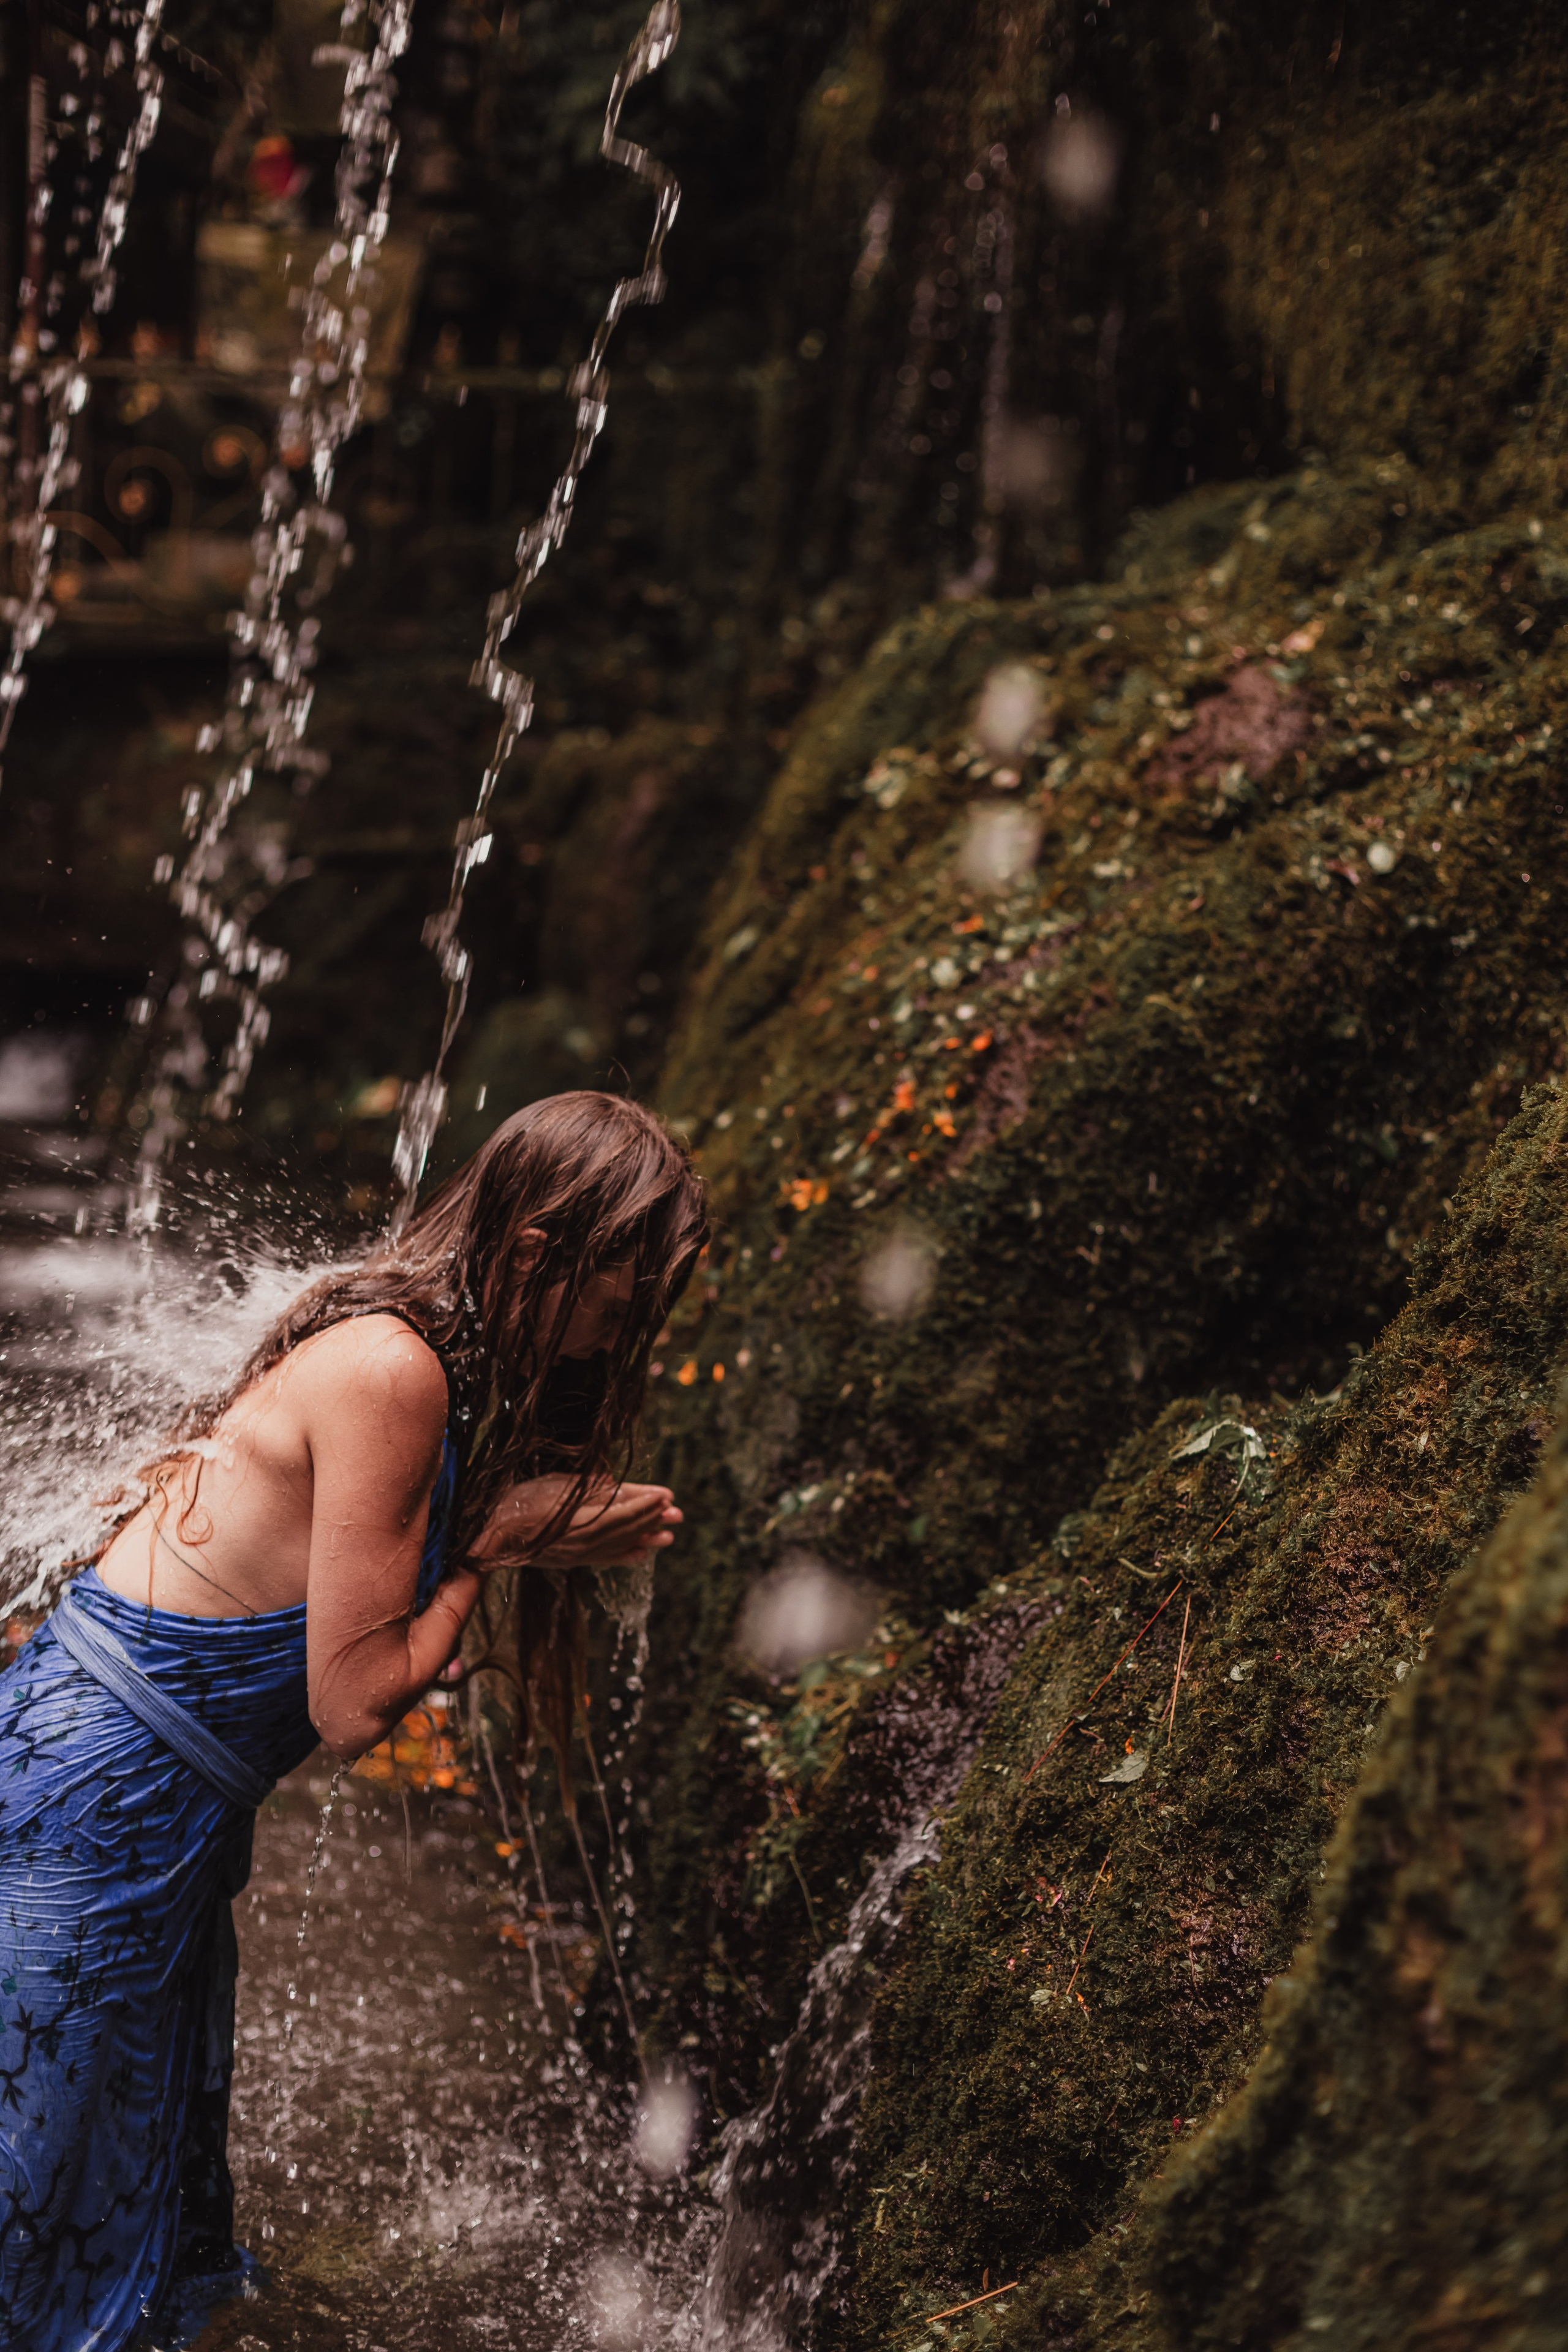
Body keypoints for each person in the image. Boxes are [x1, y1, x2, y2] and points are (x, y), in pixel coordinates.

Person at [0, 1091, 704, 2351]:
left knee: (102, 2190)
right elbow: (354, 1706)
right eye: (621, 1291)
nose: (625, 1328)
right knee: (34, 2175)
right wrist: (491, 1542)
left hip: (140, 1809)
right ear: (540, 1252)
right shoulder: (396, 1367)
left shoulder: (437, 1353)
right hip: (86, 1810)